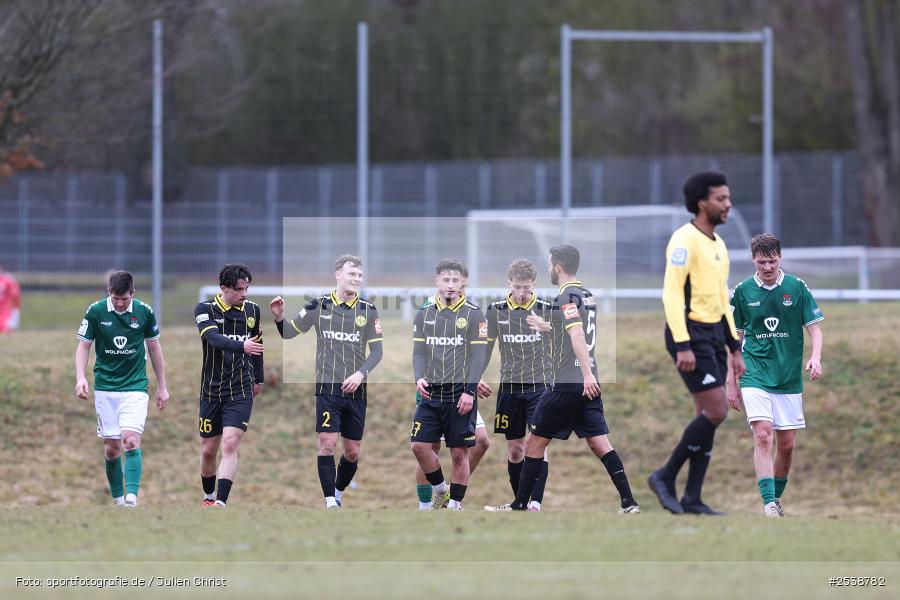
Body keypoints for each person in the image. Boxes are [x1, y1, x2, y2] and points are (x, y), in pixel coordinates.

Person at [486, 245, 640, 513]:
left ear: (557, 267)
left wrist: (585, 373)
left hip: (569, 382)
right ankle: (629, 501)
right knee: (600, 443)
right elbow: (573, 329)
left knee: (533, 442)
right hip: (589, 384)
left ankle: (521, 503)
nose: (548, 269)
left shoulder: (565, 296)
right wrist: (549, 326)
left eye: (549, 265)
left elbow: (577, 333)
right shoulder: (586, 295)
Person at [648, 171, 746, 515]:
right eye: (721, 198)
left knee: (706, 415)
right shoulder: (683, 240)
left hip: (714, 336)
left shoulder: (718, 245)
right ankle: (664, 476)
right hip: (688, 336)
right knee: (717, 410)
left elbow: (721, 299)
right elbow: (672, 294)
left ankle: (692, 497)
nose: (728, 204)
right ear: (702, 202)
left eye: (728, 198)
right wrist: (683, 344)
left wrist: (735, 348)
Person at [271, 255, 383, 509]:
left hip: (356, 390)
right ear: (338, 275)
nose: (356, 279)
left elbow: (377, 351)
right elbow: (289, 333)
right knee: (327, 443)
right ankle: (330, 501)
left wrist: (360, 374)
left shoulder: (368, 309)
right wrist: (279, 318)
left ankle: (338, 492)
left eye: (359, 275)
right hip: (327, 387)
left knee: (352, 452)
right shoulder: (317, 305)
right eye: (351, 274)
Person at [728, 234, 823, 517]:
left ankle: (776, 500)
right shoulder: (743, 291)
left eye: (771, 261)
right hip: (754, 372)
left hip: (788, 376)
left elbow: (815, 329)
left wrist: (815, 357)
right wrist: (730, 382)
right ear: (753, 260)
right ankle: (768, 504)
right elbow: (735, 341)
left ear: (780, 258)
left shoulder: (796, 288)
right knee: (763, 435)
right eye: (761, 262)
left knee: (788, 445)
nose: (767, 267)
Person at [75, 270, 168, 507]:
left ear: (132, 294)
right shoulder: (96, 311)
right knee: (112, 448)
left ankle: (131, 500)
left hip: (135, 387)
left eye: (124, 299)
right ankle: (118, 501)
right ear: (109, 293)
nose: (119, 303)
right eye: (115, 298)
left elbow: (155, 349)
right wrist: (80, 377)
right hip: (106, 387)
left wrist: (162, 387)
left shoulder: (144, 312)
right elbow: (84, 347)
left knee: (130, 440)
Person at [410, 258, 488, 511]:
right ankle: (440, 491)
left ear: (464, 282)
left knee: (458, 453)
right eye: (446, 279)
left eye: (456, 280)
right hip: (430, 392)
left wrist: (469, 390)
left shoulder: (474, 314)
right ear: (437, 282)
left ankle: (454, 505)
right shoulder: (424, 312)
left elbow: (478, 357)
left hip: (459, 394)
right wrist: (418, 376)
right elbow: (418, 352)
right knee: (420, 446)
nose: (451, 285)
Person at [480, 259, 553, 512]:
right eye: (517, 287)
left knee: (537, 444)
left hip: (540, 388)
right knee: (514, 450)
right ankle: (519, 502)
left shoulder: (546, 309)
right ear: (508, 284)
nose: (522, 293)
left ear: (534, 285)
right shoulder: (496, 310)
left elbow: (568, 340)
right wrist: (476, 376)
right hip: (510, 389)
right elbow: (485, 348)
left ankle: (535, 502)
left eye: (527, 287)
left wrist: (547, 328)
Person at [194, 263, 264, 507]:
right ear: (223, 288)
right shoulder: (205, 309)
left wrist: (258, 378)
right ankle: (208, 496)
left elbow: (257, 345)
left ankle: (220, 503)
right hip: (212, 390)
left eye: (247, 289)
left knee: (231, 443)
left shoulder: (253, 310)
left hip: (240, 388)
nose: (244, 294)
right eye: (238, 289)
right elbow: (211, 337)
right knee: (208, 451)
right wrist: (241, 346)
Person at [0, 265, 21, 333]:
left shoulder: (9, 280)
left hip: (6, 311)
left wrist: (15, 311)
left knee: (5, 329)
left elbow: (15, 296)